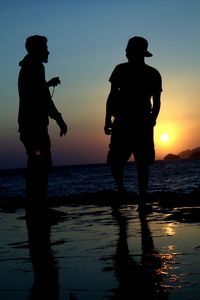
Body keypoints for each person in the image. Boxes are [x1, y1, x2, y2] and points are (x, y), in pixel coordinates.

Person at [104, 36, 162, 207]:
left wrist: (153, 119)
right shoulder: (120, 70)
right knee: (117, 160)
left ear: (137, 53)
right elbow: (112, 95)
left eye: (129, 51)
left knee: (141, 162)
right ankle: (123, 191)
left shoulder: (152, 73)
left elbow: (157, 101)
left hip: (138, 121)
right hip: (125, 121)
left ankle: (141, 197)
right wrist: (107, 118)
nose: (127, 53)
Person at [18, 35, 67, 214]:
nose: (48, 51)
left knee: (37, 164)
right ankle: (38, 207)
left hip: (29, 125)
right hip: (34, 126)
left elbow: (35, 91)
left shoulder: (30, 67)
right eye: (45, 48)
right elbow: (43, 99)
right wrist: (60, 119)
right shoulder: (35, 67)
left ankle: (37, 206)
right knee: (41, 164)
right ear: (37, 50)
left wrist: (47, 84)